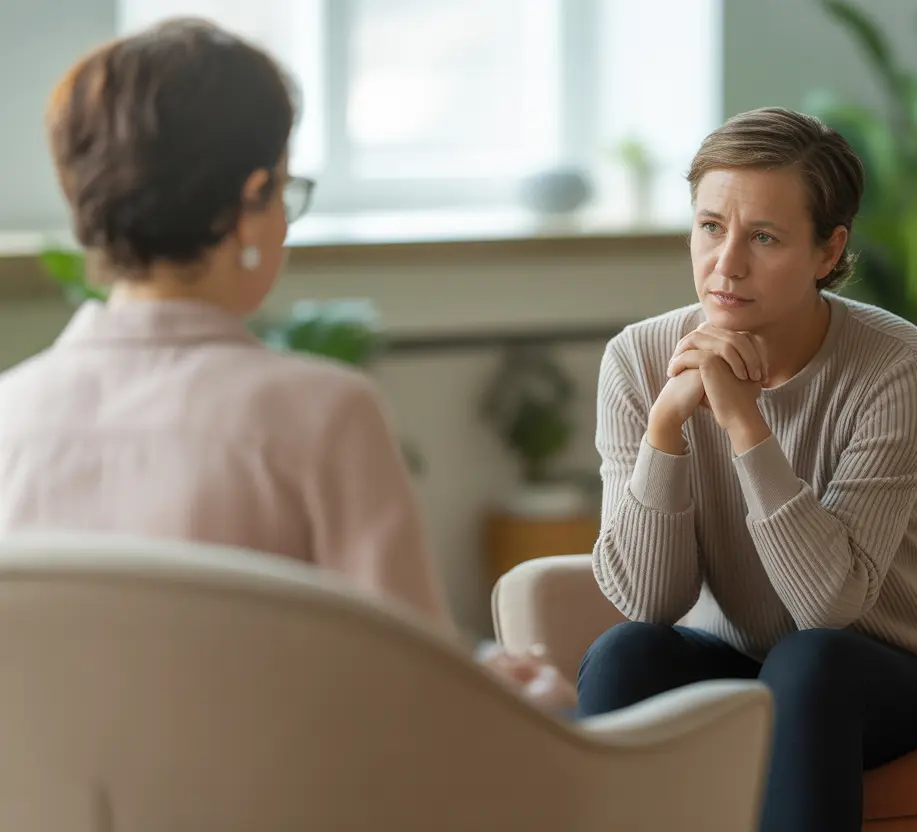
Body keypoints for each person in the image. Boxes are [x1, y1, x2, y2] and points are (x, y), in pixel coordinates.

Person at [0, 18, 574, 712]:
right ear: (250, 203)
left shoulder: (11, 411)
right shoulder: (324, 414)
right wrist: (528, 701)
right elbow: (416, 709)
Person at [576, 107, 917, 831]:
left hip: (895, 678)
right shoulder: (638, 360)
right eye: (711, 226)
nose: (726, 264)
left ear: (830, 251)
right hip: (745, 667)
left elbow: (829, 605)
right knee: (625, 653)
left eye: (763, 237)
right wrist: (667, 425)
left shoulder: (896, 366)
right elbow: (648, 599)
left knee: (812, 661)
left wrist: (743, 422)